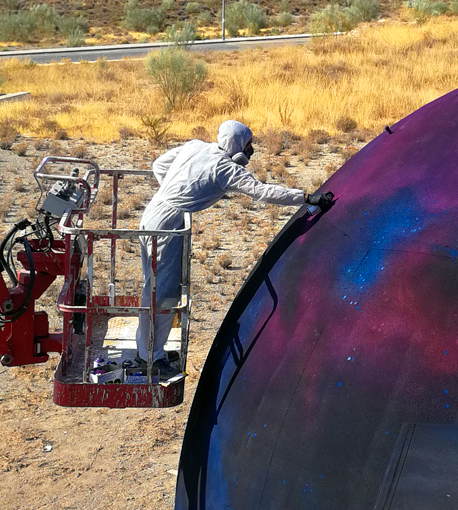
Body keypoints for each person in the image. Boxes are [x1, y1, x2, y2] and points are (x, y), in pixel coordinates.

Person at [137, 120, 334, 378]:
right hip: (167, 226)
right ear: (238, 145)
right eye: (249, 145)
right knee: (164, 293)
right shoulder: (225, 168)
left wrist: (173, 192)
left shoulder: (196, 146)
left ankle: (148, 350)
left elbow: (159, 165)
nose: (251, 151)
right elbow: (262, 192)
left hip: (150, 214)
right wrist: (306, 198)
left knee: (151, 286)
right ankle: (152, 358)